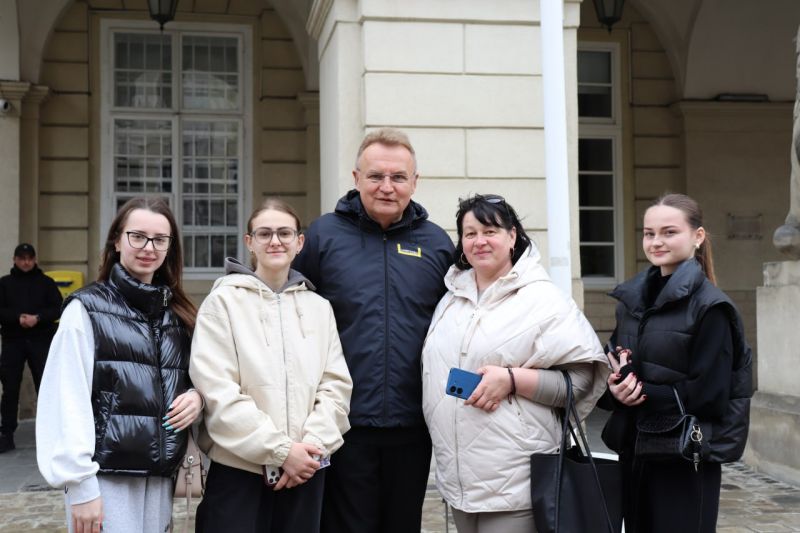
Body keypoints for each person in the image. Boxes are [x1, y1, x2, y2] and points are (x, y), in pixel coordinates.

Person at [293, 128, 454, 533]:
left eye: (398, 177)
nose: (387, 186)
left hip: (413, 423)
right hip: (342, 423)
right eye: (376, 176)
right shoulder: (322, 237)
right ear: (356, 178)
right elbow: (292, 318)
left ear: (414, 182)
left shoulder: (437, 244)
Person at [421, 194, 610, 533]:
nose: (479, 241)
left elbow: (581, 381)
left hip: (516, 483)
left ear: (512, 236)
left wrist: (511, 380)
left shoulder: (544, 299)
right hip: (459, 481)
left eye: (490, 231)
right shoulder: (451, 298)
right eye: (470, 233)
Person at [36, 197, 203, 533]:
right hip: (104, 480)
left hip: (159, 479)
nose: (149, 248)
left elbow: (198, 378)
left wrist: (198, 398)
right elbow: (65, 398)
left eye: (160, 239)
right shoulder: (85, 309)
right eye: (137, 236)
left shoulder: (177, 314)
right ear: (116, 240)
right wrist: (80, 485)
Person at [189, 198, 353, 533]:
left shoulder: (319, 308)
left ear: (299, 242)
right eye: (264, 234)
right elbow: (217, 390)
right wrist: (281, 451)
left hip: (305, 470)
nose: (275, 241)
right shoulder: (222, 303)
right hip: (240, 471)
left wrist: (309, 450)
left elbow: (336, 387)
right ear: (249, 242)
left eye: (284, 233)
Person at [602, 193, 752, 533]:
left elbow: (709, 395)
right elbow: (611, 363)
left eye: (669, 232)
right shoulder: (631, 301)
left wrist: (638, 391)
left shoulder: (712, 307)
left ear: (697, 237)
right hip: (635, 450)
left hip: (684, 455)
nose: (656, 242)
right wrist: (616, 390)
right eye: (649, 233)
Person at [0, 243, 62, 453]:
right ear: (15, 260)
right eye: (22, 258)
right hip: (13, 341)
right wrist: (17, 318)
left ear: (35, 260)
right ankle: (6, 434)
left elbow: (58, 307)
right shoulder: (4, 283)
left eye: (29, 258)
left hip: (41, 341)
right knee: (10, 389)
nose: (26, 262)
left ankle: (51, 435)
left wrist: (38, 318)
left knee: (45, 388)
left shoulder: (46, 283)